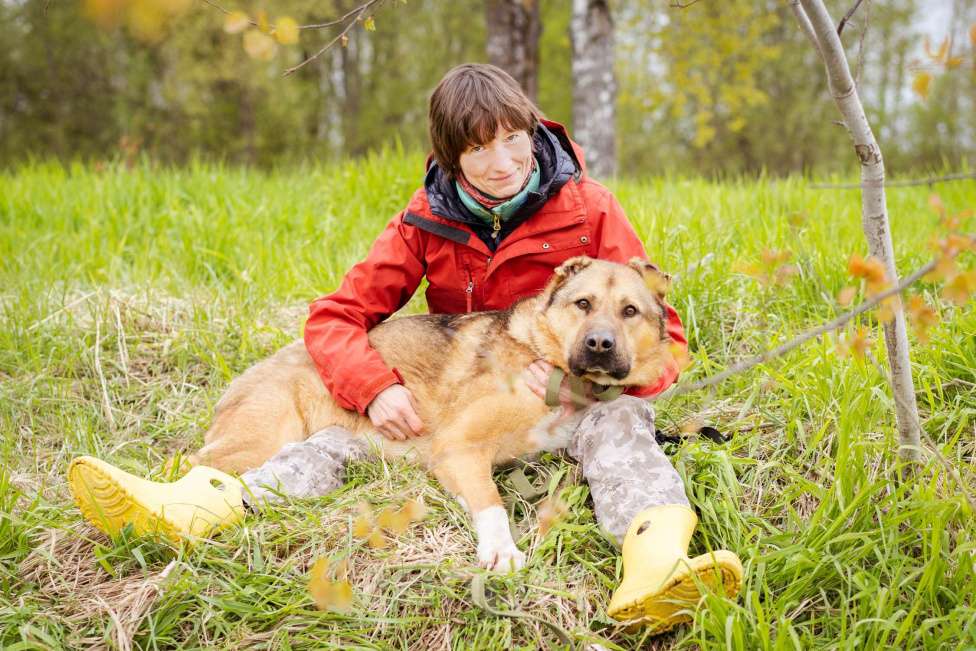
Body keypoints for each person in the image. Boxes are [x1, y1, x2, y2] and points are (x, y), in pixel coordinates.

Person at [68, 63, 742, 633]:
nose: (503, 163)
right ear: (453, 158)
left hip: (557, 392)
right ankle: (190, 501)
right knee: (326, 442)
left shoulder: (589, 207)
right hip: (440, 388)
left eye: (514, 141)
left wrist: (607, 380)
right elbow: (335, 317)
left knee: (623, 424)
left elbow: (662, 333)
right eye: (480, 150)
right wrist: (374, 388)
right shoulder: (425, 219)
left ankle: (655, 564)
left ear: (532, 135)